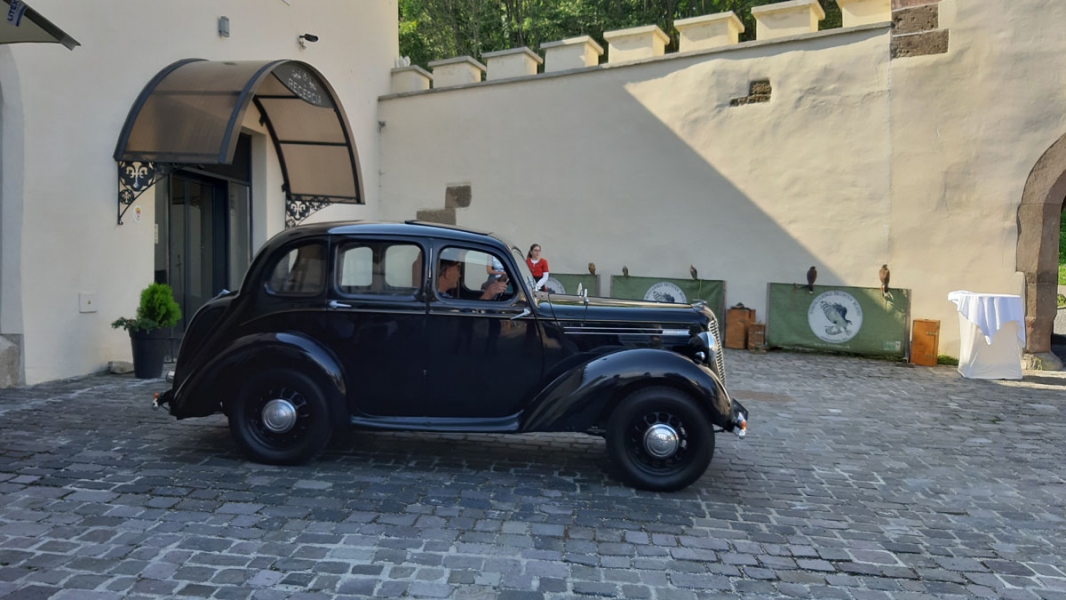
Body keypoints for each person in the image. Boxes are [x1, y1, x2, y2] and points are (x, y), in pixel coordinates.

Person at [438, 258, 506, 299]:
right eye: (458, 269)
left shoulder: (443, 297)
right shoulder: (440, 300)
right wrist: (486, 296)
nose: (459, 275)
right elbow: (464, 317)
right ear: (448, 273)